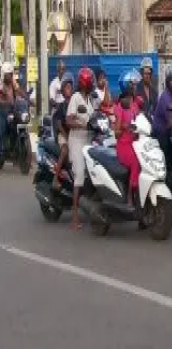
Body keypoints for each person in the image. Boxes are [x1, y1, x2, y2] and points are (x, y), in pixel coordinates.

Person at [66, 67, 95, 230]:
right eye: (90, 80)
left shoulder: (90, 99)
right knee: (80, 175)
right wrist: (82, 124)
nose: (92, 83)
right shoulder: (76, 98)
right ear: (85, 83)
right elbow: (69, 120)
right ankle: (75, 217)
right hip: (77, 141)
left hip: (90, 139)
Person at [114, 71, 141, 208]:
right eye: (133, 85)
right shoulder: (120, 107)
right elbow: (117, 133)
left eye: (136, 84)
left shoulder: (135, 104)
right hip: (124, 145)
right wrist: (126, 127)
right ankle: (130, 194)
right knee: (136, 161)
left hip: (136, 143)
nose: (135, 87)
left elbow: (140, 121)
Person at [153, 64, 172, 172]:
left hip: (171, 133)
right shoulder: (165, 97)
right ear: (167, 81)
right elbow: (171, 122)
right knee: (167, 162)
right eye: (171, 80)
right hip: (161, 135)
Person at [51, 72, 74, 189]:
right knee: (65, 150)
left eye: (70, 87)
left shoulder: (75, 104)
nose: (69, 89)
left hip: (74, 135)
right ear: (63, 90)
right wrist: (68, 138)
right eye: (66, 87)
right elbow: (59, 125)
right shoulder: (61, 106)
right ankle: (55, 178)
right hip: (63, 134)